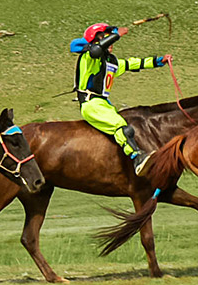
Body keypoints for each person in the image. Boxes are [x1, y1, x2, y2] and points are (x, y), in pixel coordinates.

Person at [71, 23, 170, 175]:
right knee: (120, 125)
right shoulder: (88, 58)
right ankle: (137, 157)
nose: (111, 43)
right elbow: (96, 50)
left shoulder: (111, 62)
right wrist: (117, 35)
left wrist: (157, 61)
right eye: (106, 38)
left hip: (104, 104)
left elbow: (132, 63)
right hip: (91, 104)